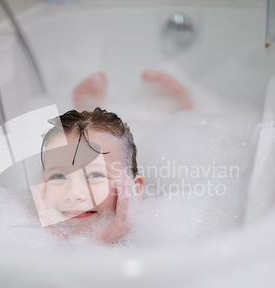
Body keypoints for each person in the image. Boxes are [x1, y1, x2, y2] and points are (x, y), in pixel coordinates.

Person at [33, 70, 193, 243]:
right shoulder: (26, 236)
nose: (73, 193)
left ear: (134, 189)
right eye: (58, 176)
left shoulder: (160, 230)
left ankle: (182, 116)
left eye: (94, 175)